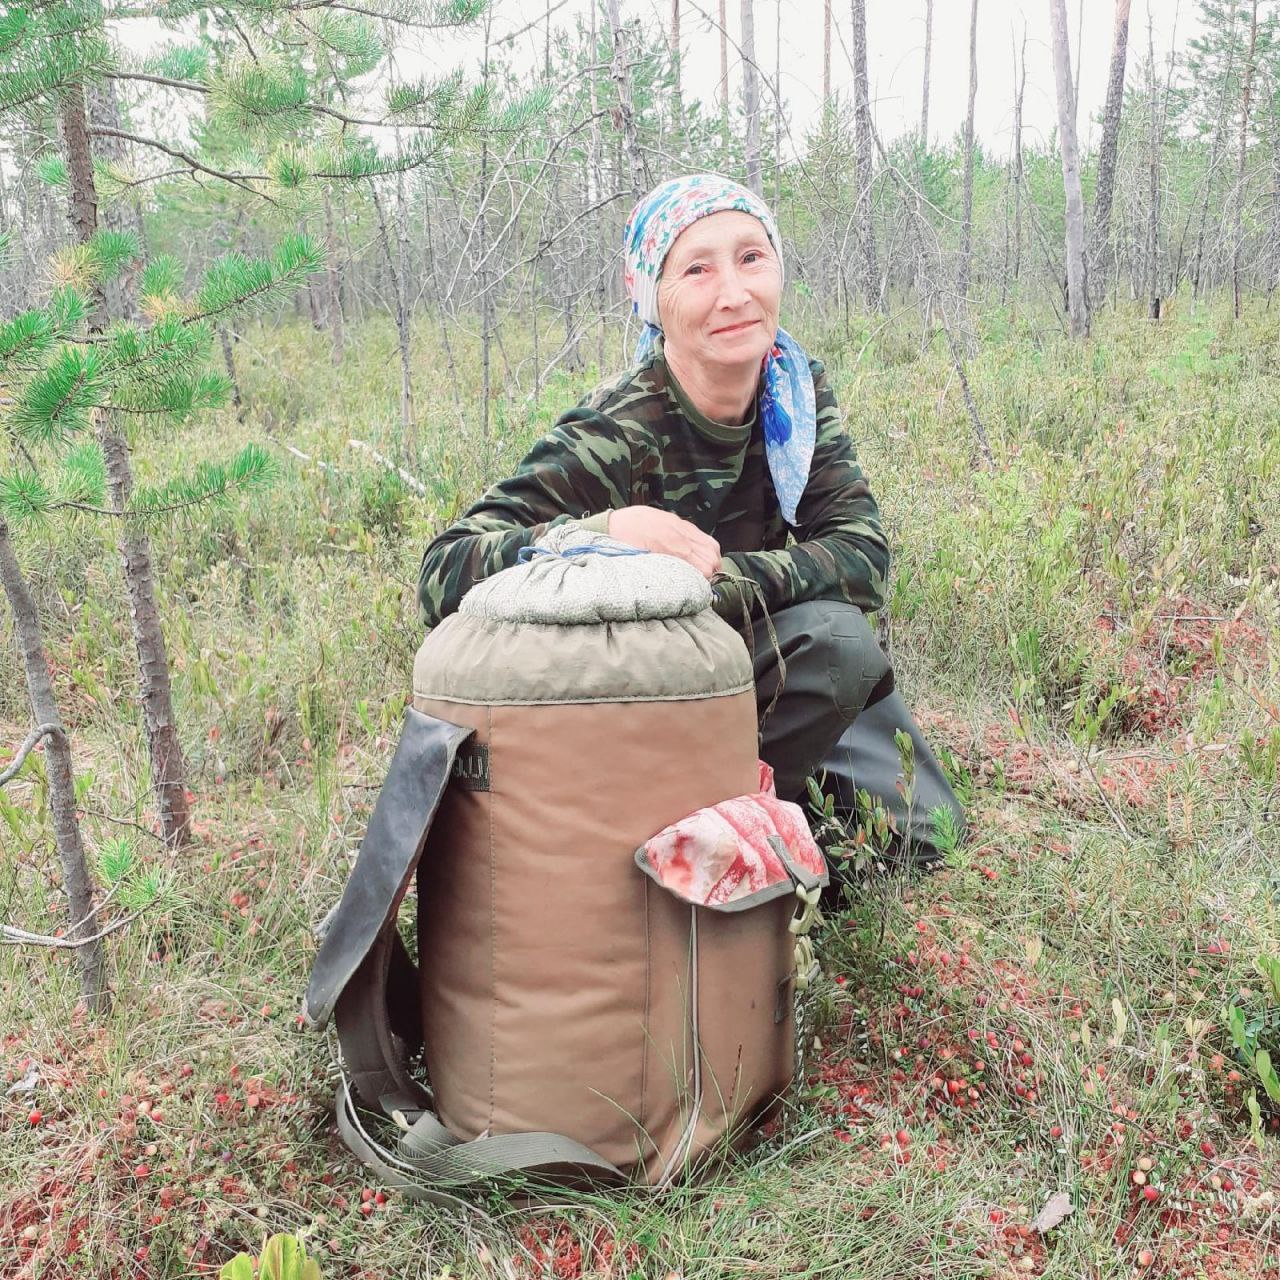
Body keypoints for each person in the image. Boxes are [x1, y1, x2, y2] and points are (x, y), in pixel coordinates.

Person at [417, 173, 964, 880]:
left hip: (742, 657)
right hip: (642, 692)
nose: (733, 293)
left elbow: (862, 556)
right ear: (655, 298)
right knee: (835, 642)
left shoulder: (792, 393)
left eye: (751, 258)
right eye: (697, 270)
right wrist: (602, 534)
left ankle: (755, 837)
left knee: (920, 835)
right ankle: (663, 849)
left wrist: (711, 581)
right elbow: (445, 569)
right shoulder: (618, 427)